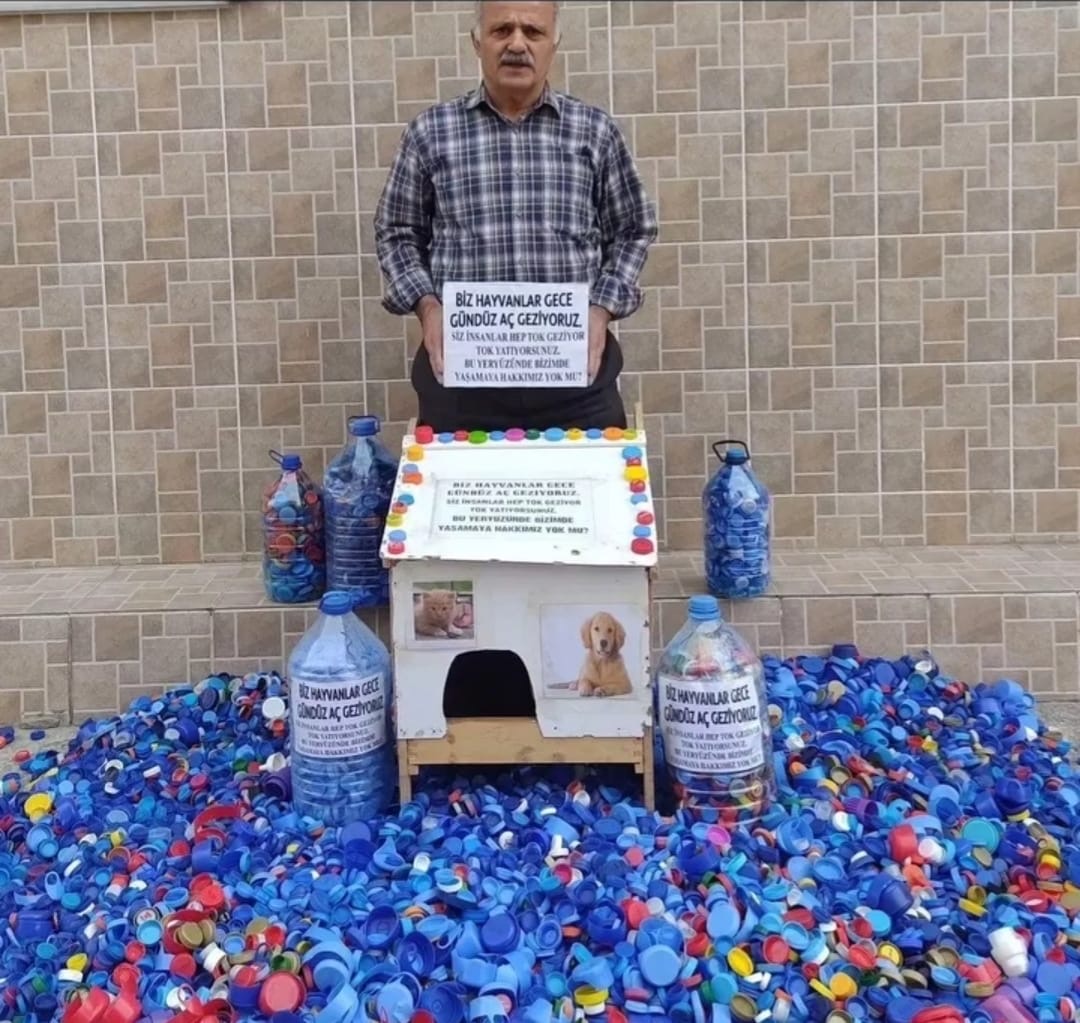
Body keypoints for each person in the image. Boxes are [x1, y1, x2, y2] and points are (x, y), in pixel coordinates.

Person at [374, 0, 658, 434]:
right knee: (461, 483)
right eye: (502, 30)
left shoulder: (595, 132)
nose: (517, 44)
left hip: (576, 382)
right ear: (477, 42)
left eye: (533, 31)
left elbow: (633, 227)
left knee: (592, 480)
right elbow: (397, 231)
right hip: (462, 383)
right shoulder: (430, 133)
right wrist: (428, 308)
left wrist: (601, 309)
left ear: (553, 45)